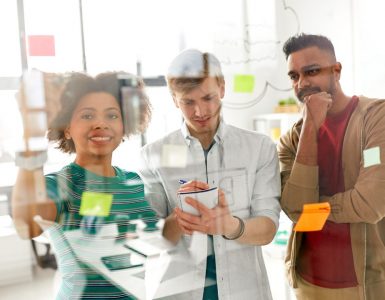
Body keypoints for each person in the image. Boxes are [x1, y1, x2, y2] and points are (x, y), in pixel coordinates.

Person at [139, 49, 281, 299]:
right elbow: (150, 239)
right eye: (188, 102)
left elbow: (268, 228)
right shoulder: (154, 155)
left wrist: (230, 226)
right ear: (174, 99)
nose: (200, 112)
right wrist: (177, 222)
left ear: (223, 88)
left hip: (245, 291)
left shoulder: (259, 148)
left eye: (208, 98)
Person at [12, 71, 157, 299]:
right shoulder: (62, 184)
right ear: (67, 127)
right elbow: (28, 225)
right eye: (87, 116)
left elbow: (152, 242)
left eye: (112, 116)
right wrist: (33, 131)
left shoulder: (134, 181)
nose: (100, 123)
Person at [278, 33, 385, 300]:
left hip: (366, 282)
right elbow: (294, 211)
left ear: (336, 71)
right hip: (307, 284)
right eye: (294, 76)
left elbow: (370, 203)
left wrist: (313, 210)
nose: (302, 83)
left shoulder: (375, 119)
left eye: (311, 71)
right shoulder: (292, 138)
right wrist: (311, 129)